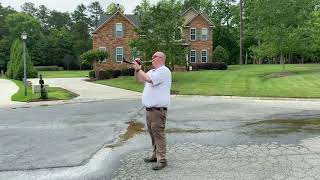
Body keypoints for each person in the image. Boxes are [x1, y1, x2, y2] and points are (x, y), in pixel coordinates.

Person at [132, 51, 172, 170]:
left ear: (160, 58)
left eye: (154, 57)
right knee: (153, 134)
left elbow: (148, 79)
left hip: (158, 110)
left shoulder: (164, 71)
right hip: (150, 110)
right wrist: (136, 69)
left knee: (158, 134)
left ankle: (162, 160)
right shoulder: (152, 71)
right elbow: (140, 80)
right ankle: (155, 155)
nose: (152, 59)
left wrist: (139, 69)